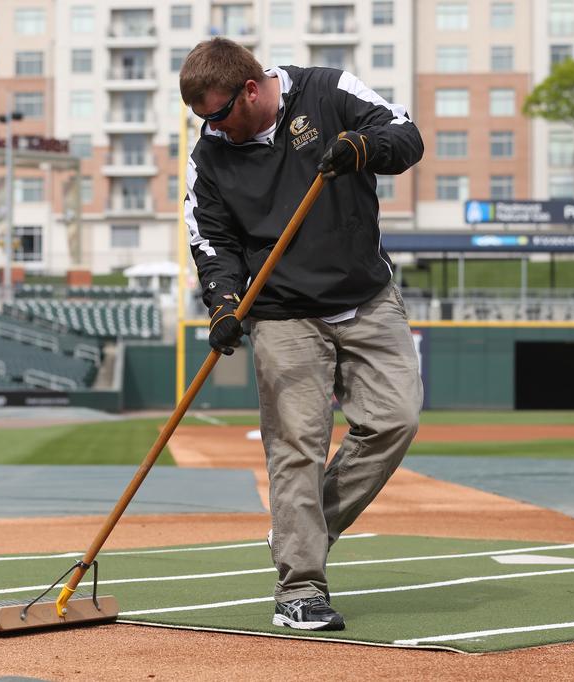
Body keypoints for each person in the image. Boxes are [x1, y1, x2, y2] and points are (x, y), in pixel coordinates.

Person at [179, 38, 424, 632]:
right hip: (284, 312)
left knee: (396, 421)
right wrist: (224, 304)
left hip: (366, 296)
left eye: (218, 114)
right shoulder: (209, 155)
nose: (212, 128)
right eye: (201, 119)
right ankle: (300, 586)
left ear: (252, 89)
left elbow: (407, 137)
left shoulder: (328, 90)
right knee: (297, 447)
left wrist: (362, 147)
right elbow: (210, 238)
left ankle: (301, 528)